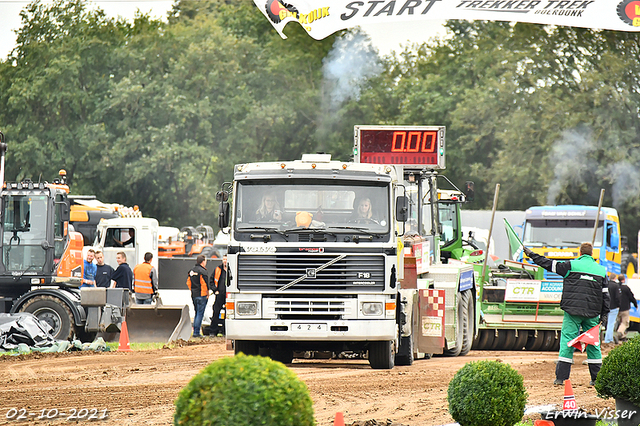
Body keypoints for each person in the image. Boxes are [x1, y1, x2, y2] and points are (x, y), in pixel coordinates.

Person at [524, 242, 609, 387]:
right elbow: (605, 295)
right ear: (592, 254)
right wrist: (604, 315)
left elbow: (548, 264)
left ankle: (561, 378)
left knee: (567, 342)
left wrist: (532, 255)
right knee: (593, 344)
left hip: (572, 311)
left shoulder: (571, 265)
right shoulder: (601, 270)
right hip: (592, 313)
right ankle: (597, 379)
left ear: (580, 252)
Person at [186, 255, 209, 338]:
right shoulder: (203, 271)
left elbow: (188, 283)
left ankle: (196, 331)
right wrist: (206, 294)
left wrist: (193, 291)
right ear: (203, 262)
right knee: (200, 314)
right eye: (205, 261)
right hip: (201, 295)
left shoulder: (191, 271)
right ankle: (196, 332)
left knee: (196, 313)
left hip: (194, 295)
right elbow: (205, 284)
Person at [615, 274, 638, 342]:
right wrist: (635, 304)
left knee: (619, 322)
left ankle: (622, 337)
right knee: (625, 323)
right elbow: (631, 297)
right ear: (624, 279)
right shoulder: (626, 288)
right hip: (625, 308)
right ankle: (619, 333)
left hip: (616, 308)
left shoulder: (616, 287)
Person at [210, 255, 227, 337]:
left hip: (229, 295)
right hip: (219, 294)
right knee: (216, 312)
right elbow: (211, 280)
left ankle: (225, 331)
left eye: (226, 259)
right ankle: (213, 331)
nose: (225, 261)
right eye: (224, 259)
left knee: (228, 314)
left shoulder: (233, 269)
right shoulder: (218, 269)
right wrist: (215, 290)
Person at [604, 274, 621, 343]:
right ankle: (608, 339)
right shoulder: (616, 286)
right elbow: (618, 297)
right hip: (613, 307)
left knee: (605, 323)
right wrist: (618, 305)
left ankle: (606, 338)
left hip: (606, 306)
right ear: (615, 278)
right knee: (611, 324)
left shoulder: (606, 284)